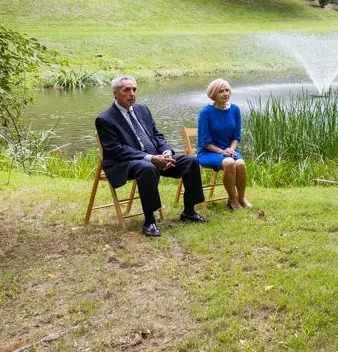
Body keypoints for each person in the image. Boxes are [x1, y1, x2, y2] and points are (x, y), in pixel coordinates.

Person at [95, 76, 209, 237]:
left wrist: (166, 152)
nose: (132, 93)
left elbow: (157, 136)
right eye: (126, 90)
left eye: (134, 89)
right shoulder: (105, 119)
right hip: (126, 162)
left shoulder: (142, 109)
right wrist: (150, 158)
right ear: (115, 94)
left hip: (155, 157)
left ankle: (189, 212)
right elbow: (116, 150)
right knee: (147, 168)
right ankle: (149, 222)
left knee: (191, 161)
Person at [197, 78, 251, 211]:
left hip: (229, 150)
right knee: (229, 163)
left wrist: (231, 150)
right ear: (213, 94)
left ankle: (241, 198)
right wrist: (222, 152)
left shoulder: (235, 110)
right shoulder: (206, 112)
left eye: (227, 90)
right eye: (221, 91)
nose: (225, 94)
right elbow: (204, 142)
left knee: (240, 163)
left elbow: (236, 137)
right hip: (209, 151)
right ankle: (232, 199)